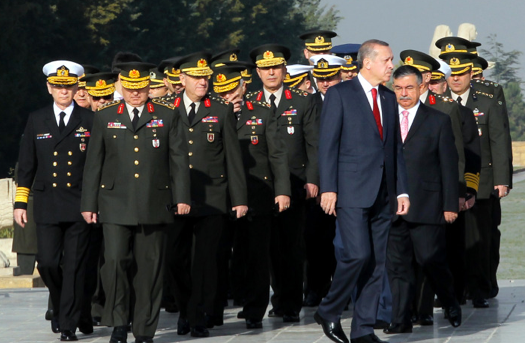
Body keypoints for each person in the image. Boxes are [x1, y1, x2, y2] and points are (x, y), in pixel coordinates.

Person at [80, 61, 191, 343]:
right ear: (121, 87)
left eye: (140, 88)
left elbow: (178, 160)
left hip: (155, 201)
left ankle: (144, 329)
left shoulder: (167, 115)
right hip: (115, 201)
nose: (135, 94)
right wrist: (88, 204)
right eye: (129, 88)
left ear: (147, 87)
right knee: (115, 262)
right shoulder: (105, 117)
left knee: (149, 269)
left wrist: (182, 198)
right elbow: (94, 164)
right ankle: (118, 322)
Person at [313, 39, 409, 343]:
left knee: (376, 263)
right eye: (387, 60)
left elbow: (396, 150)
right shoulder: (340, 94)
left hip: (384, 193)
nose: (391, 66)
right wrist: (328, 187)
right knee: (357, 255)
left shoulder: (389, 98)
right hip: (351, 190)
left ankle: (363, 330)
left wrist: (402, 192)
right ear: (367, 62)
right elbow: (327, 145)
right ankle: (328, 309)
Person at [168, 52, 248, 338]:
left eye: (206, 77)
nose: (204, 82)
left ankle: (198, 316)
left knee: (205, 260)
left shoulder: (221, 109)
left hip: (212, 196)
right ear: (182, 79)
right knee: (176, 260)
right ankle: (185, 307)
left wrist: (238, 199)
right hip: (175, 197)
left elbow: (232, 157)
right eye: (197, 77)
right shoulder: (166, 108)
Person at [14, 60, 93, 342]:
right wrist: (20, 203)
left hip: (79, 204)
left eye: (68, 86)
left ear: (76, 87)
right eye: (58, 86)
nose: (63, 90)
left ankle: (68, 323)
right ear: (49, 88)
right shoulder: (37, 119)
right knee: (47, 263)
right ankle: (65, 306)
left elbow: (98, 165)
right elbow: (26, 165)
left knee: (73, 266)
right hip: (47, 204)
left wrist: (94, 203)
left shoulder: (89, 120)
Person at [213, 62, 291, 329]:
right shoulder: (209, 114)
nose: (229, 98)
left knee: (256, 254)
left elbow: (277, 155)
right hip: (220, 197)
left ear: (243, 87)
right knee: (219, 254)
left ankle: (255, 309)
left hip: (257, 194)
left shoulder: (262, 113)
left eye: (233, 91)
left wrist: (282, 191)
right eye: (223, 93)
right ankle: (216, 306)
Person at [384, 65, 462, 334]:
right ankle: (401, 319)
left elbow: (449, 167)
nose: (403, 94)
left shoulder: (437, 120)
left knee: (430, 260)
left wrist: (451, 205)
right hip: (393, 205)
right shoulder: (384, 118)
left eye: (409, 88)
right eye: (398, 88)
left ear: (422, 87)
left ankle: (450, 301)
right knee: (398, 266)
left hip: (427, 203)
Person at [247, 44, 319, 323]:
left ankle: (289, 303)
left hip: (295, 183)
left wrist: (313, 180)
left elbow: (314, 145)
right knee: (261, 248)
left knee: (290, 247)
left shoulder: (302, 100)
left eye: (275, 67)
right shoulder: (251, 101)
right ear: (257, 72)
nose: (271, 73)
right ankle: (264, 303)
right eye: (265, 69)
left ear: (284, 70)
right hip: (262, 187)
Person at [437, 47, 512, 309]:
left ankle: (479, 289)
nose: (456, 80)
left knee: (479, 239)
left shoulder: (486, 101)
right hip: (449, 184)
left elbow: (499, 142)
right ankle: (453, 290)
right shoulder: (439, 104)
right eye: (452, 75)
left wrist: (502, 179)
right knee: (450, 240)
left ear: (471, 74)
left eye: (461, 74)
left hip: (482, 181)